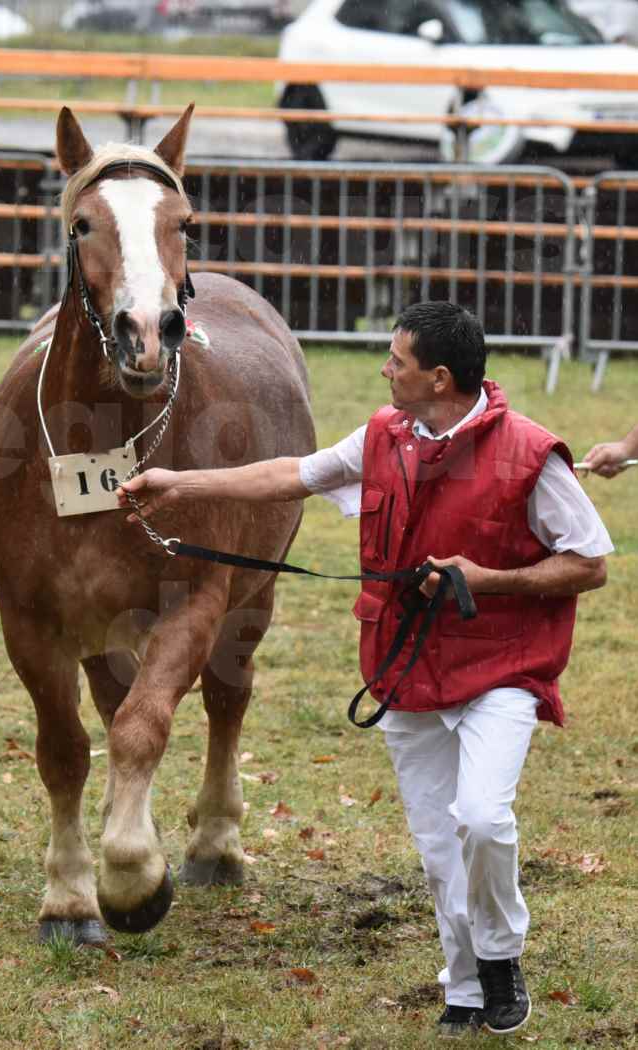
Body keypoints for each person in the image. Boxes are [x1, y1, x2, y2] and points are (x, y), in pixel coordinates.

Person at [118, 301, 612, 1039]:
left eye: (396, 360)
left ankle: (500, 955)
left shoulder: (529, 454)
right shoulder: (384, 435)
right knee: (440, 847)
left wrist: (486, 578)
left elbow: (588, 563)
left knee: (480, 817)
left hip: (502, 670)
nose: (384, 368)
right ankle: (467, 985)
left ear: (437, 378)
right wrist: (180, 485)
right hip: (405, 665)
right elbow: (292, 476)